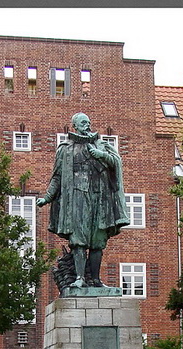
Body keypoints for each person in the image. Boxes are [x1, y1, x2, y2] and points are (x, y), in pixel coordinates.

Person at [37, 113, 129, 288]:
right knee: (78, 240)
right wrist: (47, 198)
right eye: (83, 123)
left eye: (88, 122)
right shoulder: (65, 149)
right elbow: (57, 177)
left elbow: (116, 164)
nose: (87, 125)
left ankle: (96, 280)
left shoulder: (101, 145)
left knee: (97, 241)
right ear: (75, 126)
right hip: (77, 199)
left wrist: (101, 155)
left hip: (99, 199)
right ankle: (80, 278)